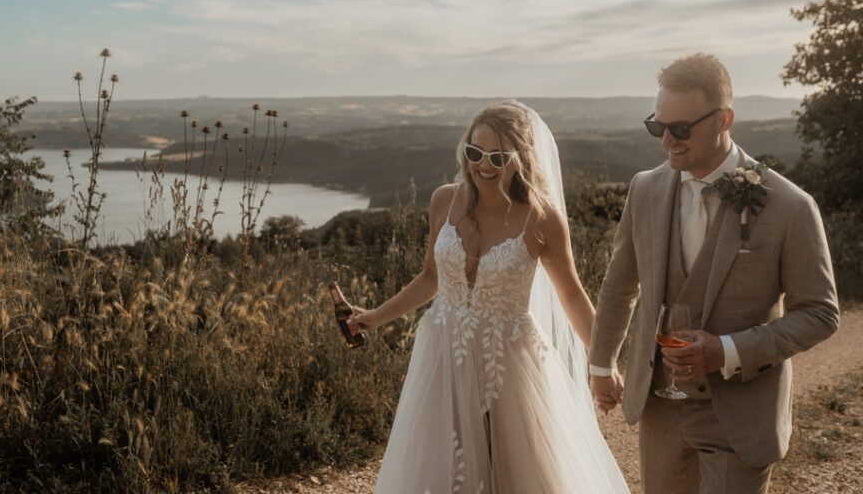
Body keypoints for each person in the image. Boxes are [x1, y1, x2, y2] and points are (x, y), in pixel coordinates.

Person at [588, 53, 839, 494]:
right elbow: (620, 283)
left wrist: (727, 350)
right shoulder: (644, 189)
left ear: (725, 119)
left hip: (740, 416)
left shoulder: (790, 206)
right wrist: (601, 362)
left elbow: (820, 313)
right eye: (657, 126)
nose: (667, 141)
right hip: (660, 411)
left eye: (680, 129)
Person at [349, 101, 629, 493]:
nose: (484, 165)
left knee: (518, 470)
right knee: (442, 464)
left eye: (498, 156)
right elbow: (432, 277)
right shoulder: (444, 201)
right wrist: (376, 316)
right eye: (475, 152)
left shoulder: (541, 217)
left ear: (521, 158)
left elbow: (570, 295)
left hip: (509, 361)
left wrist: (604, 363)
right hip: (443, 352)